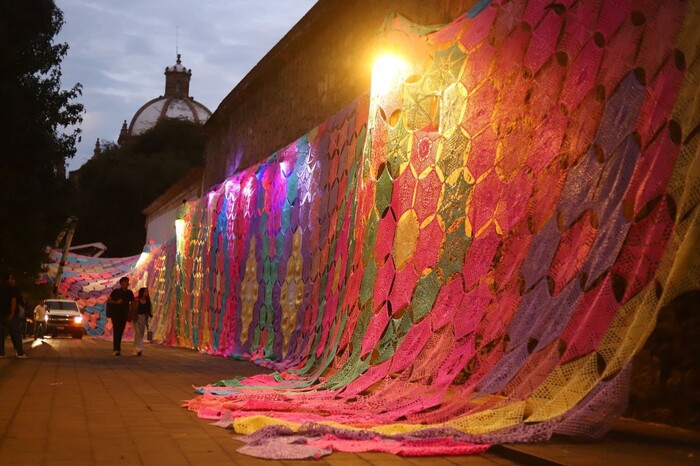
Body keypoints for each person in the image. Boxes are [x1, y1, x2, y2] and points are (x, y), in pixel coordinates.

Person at [0, 272, 28, 358]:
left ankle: (1, 353)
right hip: (9, 315)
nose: (13, 280)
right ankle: (20, 352)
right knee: (16, 333)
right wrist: (12, 312)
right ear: (9, 279)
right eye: (12, 278)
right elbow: (14, 300)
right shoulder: (13, 288)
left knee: (1, 334)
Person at [106, 276, 134, 356]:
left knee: (120, 331)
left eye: (127, 282)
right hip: (116, 314)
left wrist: (131, 312)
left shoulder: (129, 293)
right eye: (124, 282)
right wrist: (116, 302)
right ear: (121, 283)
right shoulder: (116, 291)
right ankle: (116, 349)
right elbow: (109, 300)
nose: (126, 284)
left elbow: (132, 303)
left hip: (124, 314)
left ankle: (118, 348)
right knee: (117, 331)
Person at [132, 287, 152, 356]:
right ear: (141, 292)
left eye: (147, 292)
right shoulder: (137, 300)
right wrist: (134, 317)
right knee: (137, 333)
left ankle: (136, 349)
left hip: (143, 318)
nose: (146, 293)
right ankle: (140, 348)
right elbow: (133, 309)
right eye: (145, 291)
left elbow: (147, 312)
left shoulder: (147, 301)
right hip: (136, 318)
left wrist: (147, 323)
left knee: (141, 334)